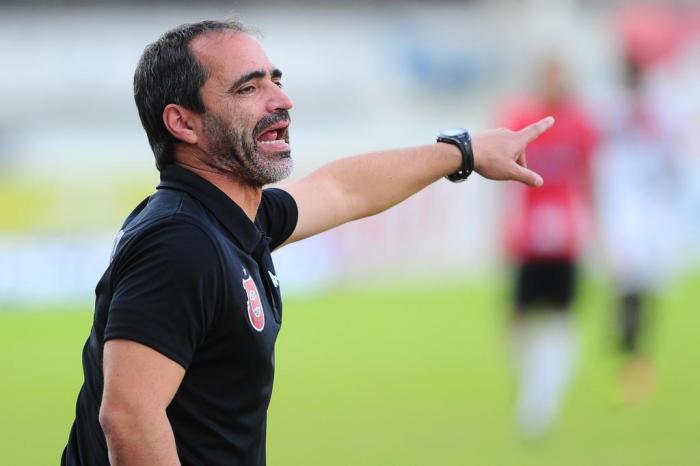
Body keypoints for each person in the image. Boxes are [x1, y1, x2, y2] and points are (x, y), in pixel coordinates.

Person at [61, 20, 553, 466]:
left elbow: (343, 189)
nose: (281, 100)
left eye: (276, 80)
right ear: (183, 123)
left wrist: (462, 151)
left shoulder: (232, 219)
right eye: (249, 88)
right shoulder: (179, 243)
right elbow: (128, 417)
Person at [498, 58, 598, 435]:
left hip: (564, 239)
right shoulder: (522, 118)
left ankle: (544, 396)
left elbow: (590, 178)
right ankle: (534, 385)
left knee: (560, 318)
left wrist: (596, 229)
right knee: (517, 322)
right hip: (529, 238)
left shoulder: (581, 124)